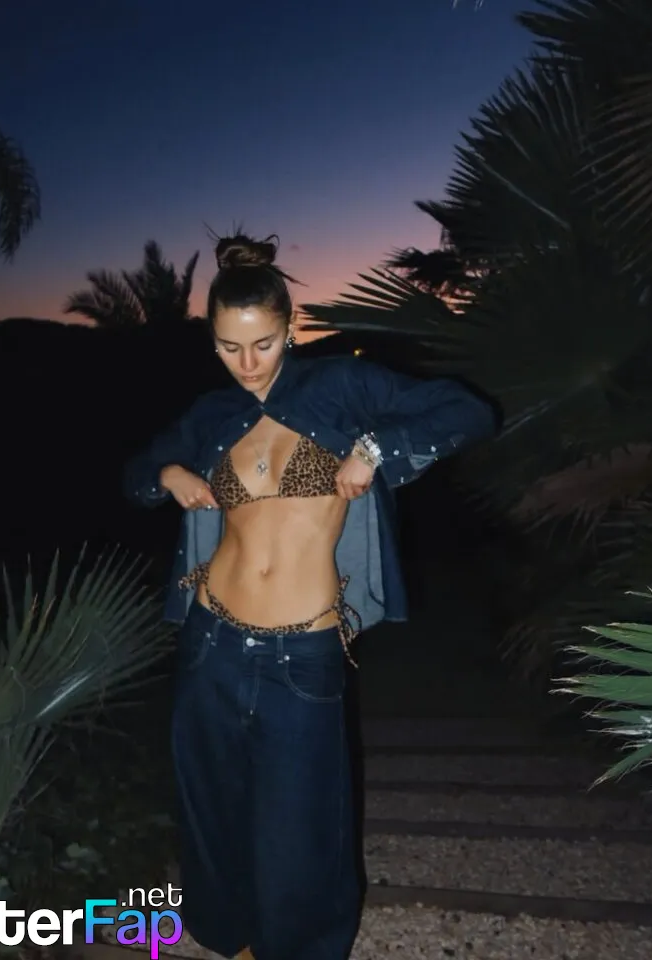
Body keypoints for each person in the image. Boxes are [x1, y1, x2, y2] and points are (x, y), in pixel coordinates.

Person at [122, 232, 497, 960]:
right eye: (229, 347)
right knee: (213, 802)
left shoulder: (341, 386)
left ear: (290, 327)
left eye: (262, 344)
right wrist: (169, 474)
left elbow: (468, 412)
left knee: (302, 819)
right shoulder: (211, 414)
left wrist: (375, 450)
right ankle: (228, 935)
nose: (248, 364)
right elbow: (135, 473)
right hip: (210, 639)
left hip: (303, 649)